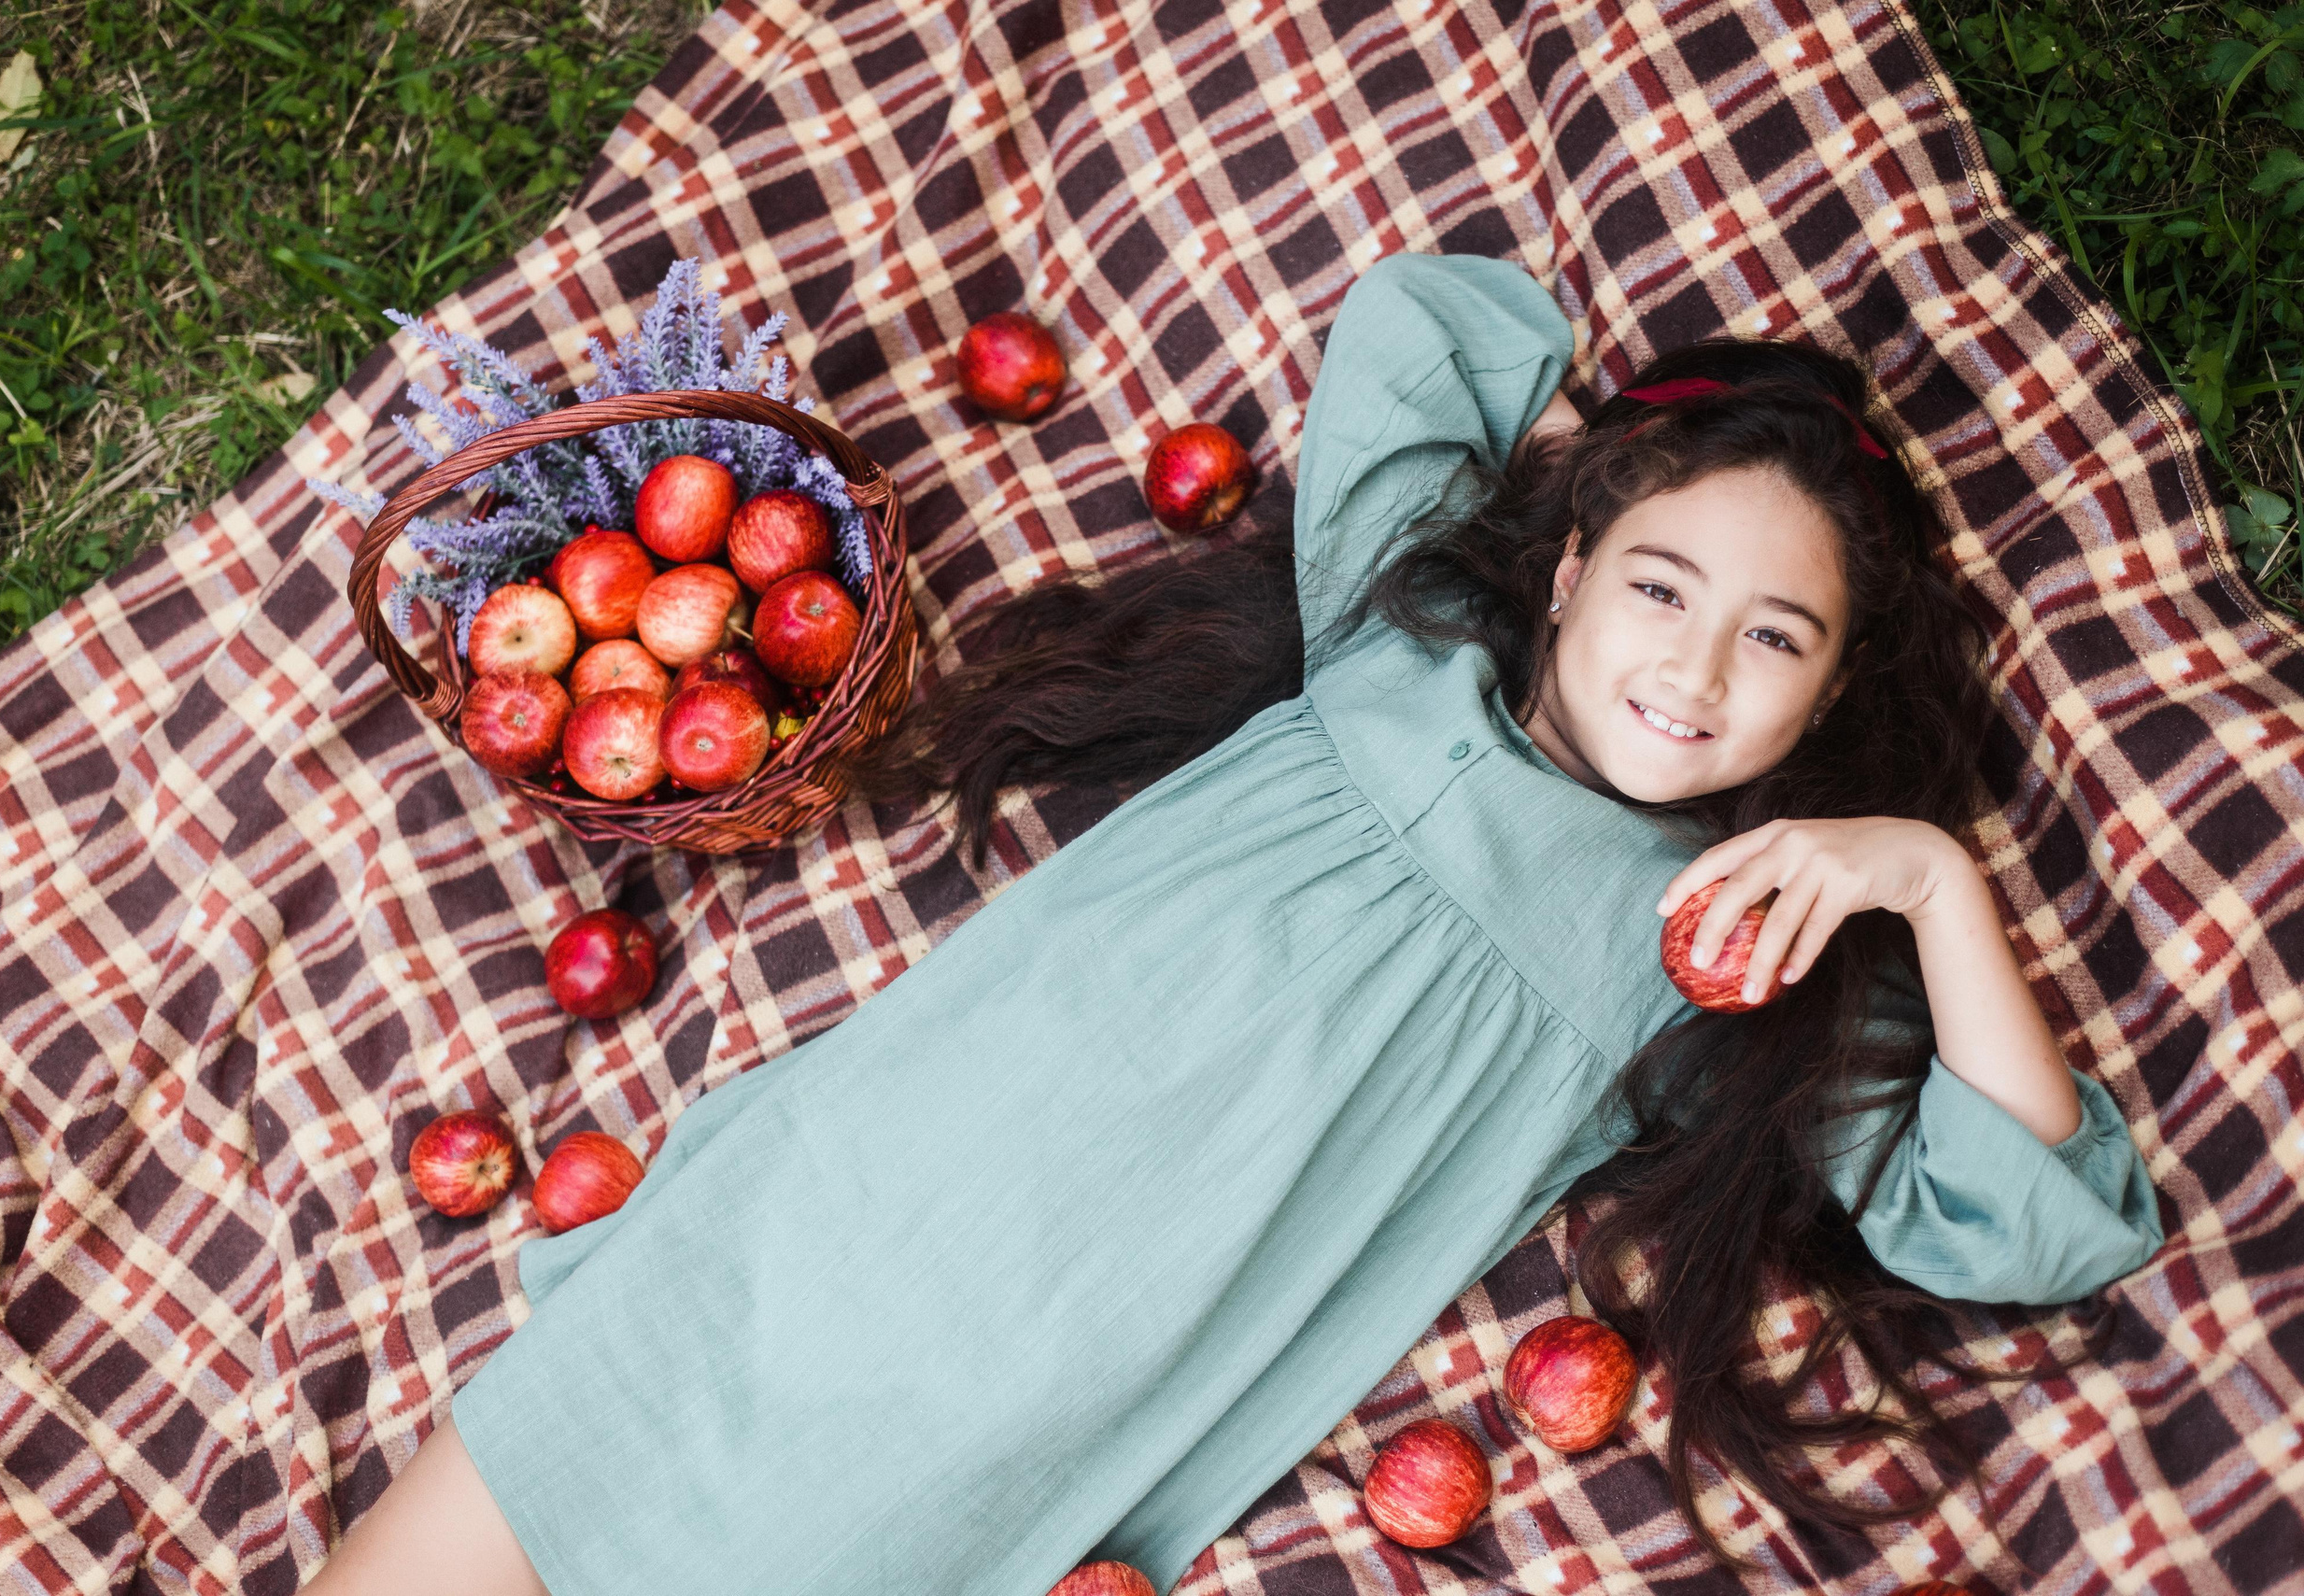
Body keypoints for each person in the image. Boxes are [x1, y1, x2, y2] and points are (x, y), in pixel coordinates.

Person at [303, 252, 2163, 1596]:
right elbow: (1433, 325)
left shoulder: (1717, 947)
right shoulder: (1407, 638)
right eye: (1658, 586)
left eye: (1775, 639)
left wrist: (1918, 878)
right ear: (1572, 568)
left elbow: (2035, 1220)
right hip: (851, 1190)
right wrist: (1665, 420)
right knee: (486, 1510)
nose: (1690, 665)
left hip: (1048, 1370)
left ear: (1829, 702)